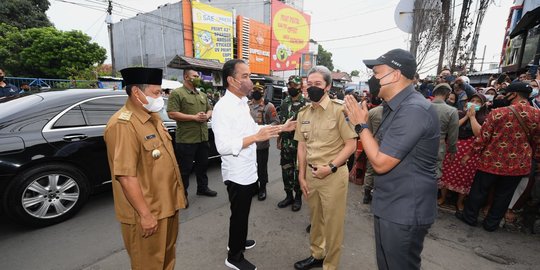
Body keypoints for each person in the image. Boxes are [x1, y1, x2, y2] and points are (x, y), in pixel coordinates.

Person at [344, 48, 440, 270]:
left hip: (405, 210)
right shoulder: (392, 107)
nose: (373, 79)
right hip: (391, 204)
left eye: (377, 72)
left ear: (395, 75)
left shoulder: (414, 109)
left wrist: (361, 125)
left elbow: (380, 161)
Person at [212, 59, 296, 270]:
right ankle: (234, 256)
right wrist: (255, 138)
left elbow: (255, 129)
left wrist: (282, 128)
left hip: (248, 170)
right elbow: (222, 146)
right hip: (237, 172)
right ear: (232, 80)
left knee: (243, 212)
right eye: (245, 76)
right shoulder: (223, 107)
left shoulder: (241, 103)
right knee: (239, 213)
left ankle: (238, 241)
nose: (251, 81)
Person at [104, 67, 186, 270]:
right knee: (149, 265)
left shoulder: (152, 117)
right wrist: (145, 215)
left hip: (166, 206)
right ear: (136, 93)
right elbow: (126, 176)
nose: (160, 98)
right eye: (156, 93)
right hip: (147, 213)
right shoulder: (123, 125)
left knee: (167, 259)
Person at [293, 66, 357, 270]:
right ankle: (317, 254)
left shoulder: (340, 110)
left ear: (327, 86)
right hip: (311, 175)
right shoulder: (303, 112)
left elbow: (351, 145)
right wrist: (301, 176)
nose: (312, 88)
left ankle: (331, 265)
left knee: (333, 224)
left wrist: (329, 168)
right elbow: (301, 146)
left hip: (333, 176)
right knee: (315, 220)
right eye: (309, 84)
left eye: (317, 84)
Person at [457, 82, 540, 232]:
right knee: (504, 195)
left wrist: (470, 154)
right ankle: (491, 224)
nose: (504, 95)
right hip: (519, 164)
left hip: (491, 160)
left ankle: (470, 217)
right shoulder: (537, 115)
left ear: (513, 94)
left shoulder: (499, 112)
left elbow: (483, 137)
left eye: (507, 93)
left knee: (479, 191)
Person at [167, 69, 217, 205]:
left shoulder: (202, 94)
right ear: (186, 77)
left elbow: (210, 108)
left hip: (202, 137)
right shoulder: (177, 93)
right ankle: (182, 195)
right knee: (185, 169)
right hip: (186, 139)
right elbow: (172, 113)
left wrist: (207, 116)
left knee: (202, 166)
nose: (197, 78)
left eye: (198, 76)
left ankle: (202, 188)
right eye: (195, 76)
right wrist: (194, 117)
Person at [439, 93, 489, 211]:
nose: (474, 104)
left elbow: (479, 134)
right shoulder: (459, 114)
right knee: (447, 173)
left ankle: (460, 201)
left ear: (483, 105)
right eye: (473, 100)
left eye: (478, 102)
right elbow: (452, 128)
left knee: (466, 177)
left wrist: (472, 117)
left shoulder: (484, 118)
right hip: (453, 148)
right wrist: (467, 116)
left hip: (470, 152)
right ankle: (443, 197)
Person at [277, 75, 307, 211]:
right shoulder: (285, 102)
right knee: (286, 170)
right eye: (290, 85)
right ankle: (288, 196)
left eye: (294, 86)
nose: (291, 88)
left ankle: (298, 198)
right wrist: (279, 139)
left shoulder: (306, 104)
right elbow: (281, 123)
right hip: (286, 144)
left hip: (300, 144)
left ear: (300, 87)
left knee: (299, 171)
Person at [249, 82, 279, 201]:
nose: (256, 92)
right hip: (249, 143)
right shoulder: (247, 105)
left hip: (261, 144)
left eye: (259, 90)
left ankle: (262, 188)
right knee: (251, 167)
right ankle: (254, 187)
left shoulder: (269, 106)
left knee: (261, 168)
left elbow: (276, 122)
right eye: (254, 89)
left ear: (263, 92)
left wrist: (264, 128)